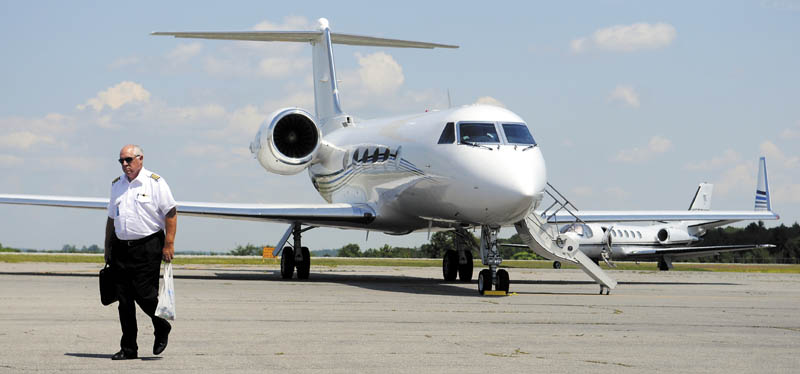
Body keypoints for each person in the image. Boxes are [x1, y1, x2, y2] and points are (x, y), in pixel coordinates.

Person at [104, 144, 177, 360]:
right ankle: (129, 348)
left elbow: (171, 213)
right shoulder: (117, 185)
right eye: (121, 161)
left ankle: (161, 326)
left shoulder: (155, 182)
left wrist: (169, 244)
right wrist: (108, 245)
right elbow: (111, 218)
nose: (125, 165)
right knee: (124, 300)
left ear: (140, 159)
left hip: (148, 246)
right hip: (121, 247)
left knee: (144, 294)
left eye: (128, 160)